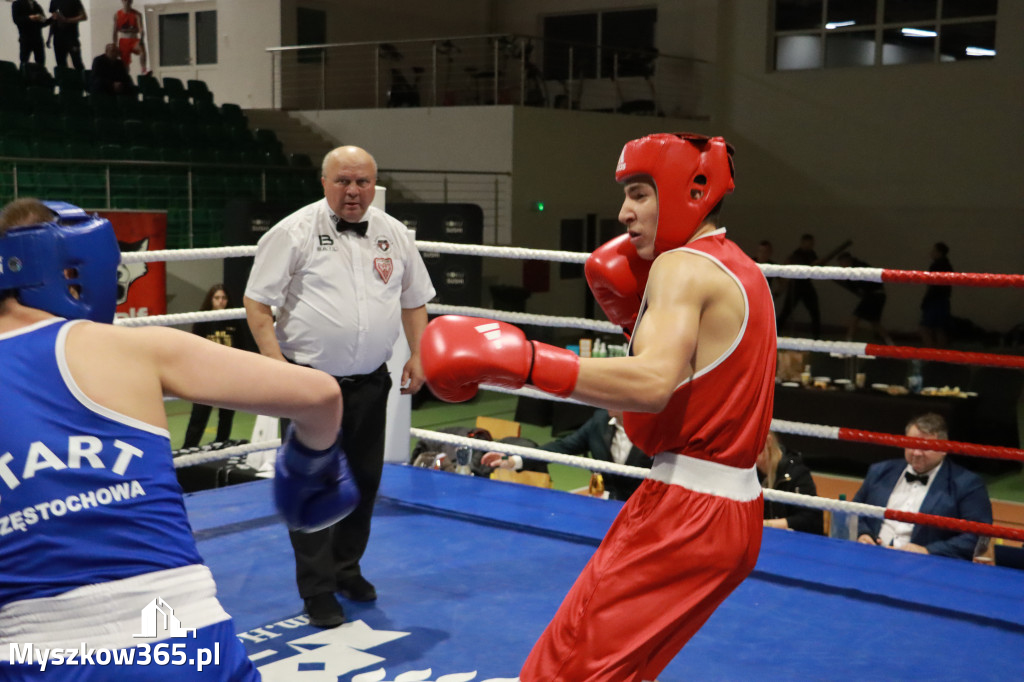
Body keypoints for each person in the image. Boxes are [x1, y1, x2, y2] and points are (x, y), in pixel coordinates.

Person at [420, 132, 777, 681]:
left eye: (640, 193)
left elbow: (655, 383)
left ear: (691, 190)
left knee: (562, 669)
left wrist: (527, 361)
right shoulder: (743, 270)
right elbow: (692, 386)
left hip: (687, 510)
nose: (624, 212)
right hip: (736, 511)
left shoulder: (680, 267)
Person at [0, 198, 358, 680]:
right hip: (185, 637)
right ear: (78, 272)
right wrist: (309, 469)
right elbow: (320, 396)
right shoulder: (131, 347)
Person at [244, 145, 436, 629]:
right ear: (324, 182)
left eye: (363, 182)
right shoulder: (292, 232)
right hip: (309, 384)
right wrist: (277, 368)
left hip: (372, 381)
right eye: (343, 181)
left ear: (375, 183)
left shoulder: (393, 234)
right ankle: (317, 590)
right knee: (313, 487)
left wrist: (420, 352)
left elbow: (415, 301)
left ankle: (347, 569)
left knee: (365, 483)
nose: (353, 191)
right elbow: (256, 304)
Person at [853, 412, 992, 560]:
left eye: (925, 447)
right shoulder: (880, 471)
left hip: (928, 567)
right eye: (911, 444)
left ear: (944, 449)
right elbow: (853, 511)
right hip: (871, 558)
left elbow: (980, 538)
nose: (916, 453)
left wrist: (928, 551)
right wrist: (863, 534)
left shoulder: (967, 484)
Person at [481, 408, 653, 501]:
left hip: (646, 508)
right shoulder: (599, 422)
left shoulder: (656, 428)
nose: (605, 399)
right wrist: (512, 460)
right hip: (605, 506)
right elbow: (562, 446)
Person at [182, 284, 238, 448]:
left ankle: (221, 447)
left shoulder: (234, 319)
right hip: (206, 375)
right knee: (199, 415)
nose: (221, 302)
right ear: (210, 300)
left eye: (224, 298)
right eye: (217, 298)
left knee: (226, 415)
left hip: (228, 375)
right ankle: (188, 449)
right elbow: (193, 347)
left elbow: (241, 346)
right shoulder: (203, 320)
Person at [757, 431, 824, 535]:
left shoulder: (796, 472)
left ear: (768, 441)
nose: (747, 450)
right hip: (764, 539)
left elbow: (811, 519)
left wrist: (766, 524)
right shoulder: (748, 472)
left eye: (751, 444)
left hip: (793, 544)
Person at [834, 251, 895, 344]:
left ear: (846, 261)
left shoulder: (859, 267)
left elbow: (864, 283)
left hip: (873, 295)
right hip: (878, 295)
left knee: (855, 318)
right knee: (874, 322)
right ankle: (890, 343)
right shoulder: (854, 270)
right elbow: (853, 285)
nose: (841, 267)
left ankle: (848, 342)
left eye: (842, 264)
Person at [920, 241, 953, 347]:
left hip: (934, 300)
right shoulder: (948, 265)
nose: (931, 253)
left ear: (939, 252)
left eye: (934, 250)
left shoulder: (935, 265)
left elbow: (930, 285)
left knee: (924, 328)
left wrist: (925, 299)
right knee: (940, 329)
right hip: (944, 300)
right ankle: (941, 357)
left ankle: (931, 355)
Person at [48, 0, 86, 71]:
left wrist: (67, 20)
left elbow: (83, 16)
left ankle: (82, 80)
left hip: (71, 36)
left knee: (77, 62)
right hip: (58, 37)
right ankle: (64, 81)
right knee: (61, 64)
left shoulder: (75, 1)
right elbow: (53, 20)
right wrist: (49, 37)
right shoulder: (54, 1)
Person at [112, 0, 148, 76]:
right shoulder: (117, 15)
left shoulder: (137, 14)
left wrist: (142, 37)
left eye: (129, 1)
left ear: (131, 2)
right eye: (125, 1)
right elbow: (115, 31)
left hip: (134, 39)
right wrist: (114, 44)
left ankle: (144, 69)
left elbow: (140, 28)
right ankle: (126, 76)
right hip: (124, 40)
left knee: (142, 49)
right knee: (125, 63)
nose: (127, 3)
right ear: (122, 1)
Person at [11, 0, 49, 69]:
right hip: (25, 37)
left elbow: (43, 22)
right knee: (24, 61)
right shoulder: (17, 3)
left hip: (37, 38)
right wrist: (30, 18)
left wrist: (51, 19)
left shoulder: (36, 4)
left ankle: (40, 77)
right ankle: (23, 77)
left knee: (41, 62)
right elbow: (16, 20)